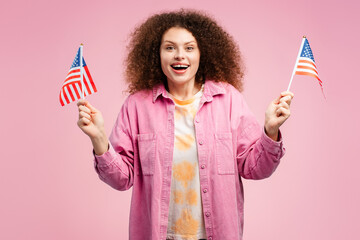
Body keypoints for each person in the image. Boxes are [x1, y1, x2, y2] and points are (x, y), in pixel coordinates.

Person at [77, 9, 293, 240]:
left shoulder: (229, 100)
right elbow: (122, 179)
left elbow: (254, 168)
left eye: (189, 48)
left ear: (203, 53)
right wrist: (99, 138)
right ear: (156, 54)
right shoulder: (137, 106)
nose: (180, 55)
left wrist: (270, 131)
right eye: (170, 47)